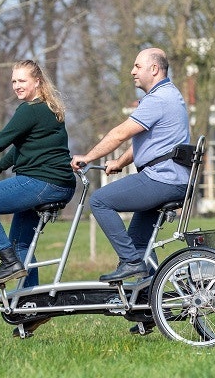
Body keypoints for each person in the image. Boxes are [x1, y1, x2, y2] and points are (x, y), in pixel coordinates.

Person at [0, 60, 76, 297]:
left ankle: (9, 262)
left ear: (37, 81)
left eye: (22, 81)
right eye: (13, 81)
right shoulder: (48, 108)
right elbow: (23, 145)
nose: (16, 86)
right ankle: (32, 305)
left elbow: (1, 140)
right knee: (20, 245)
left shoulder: (29, 110)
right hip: (58, 184)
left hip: (42, 182)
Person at [71, 47, 190, 283]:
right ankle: (149, 301)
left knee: (100, 200)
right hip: (171, 179)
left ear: (154, 69)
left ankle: (130, 262)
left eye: (137, 66)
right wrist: (119, 162)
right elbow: (146, 144)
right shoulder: (170, 95)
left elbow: (119, 135)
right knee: (139, 243)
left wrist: (87, 157)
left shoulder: (158, 99)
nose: (132, 71)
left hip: (162, 179)